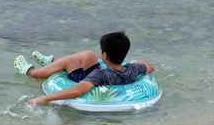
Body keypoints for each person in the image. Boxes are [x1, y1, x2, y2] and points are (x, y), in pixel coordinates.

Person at [14, 31, 155, 106]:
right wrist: (136, 63)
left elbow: (77, 90)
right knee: (88, 55)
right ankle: (52, 61)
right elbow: (150, 66)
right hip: (111, 71)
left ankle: (32, 72)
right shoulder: (132, 69)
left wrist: (44, 99)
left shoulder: (100, 75)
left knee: (70, 62)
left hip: (87, 81)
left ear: (104, 55)